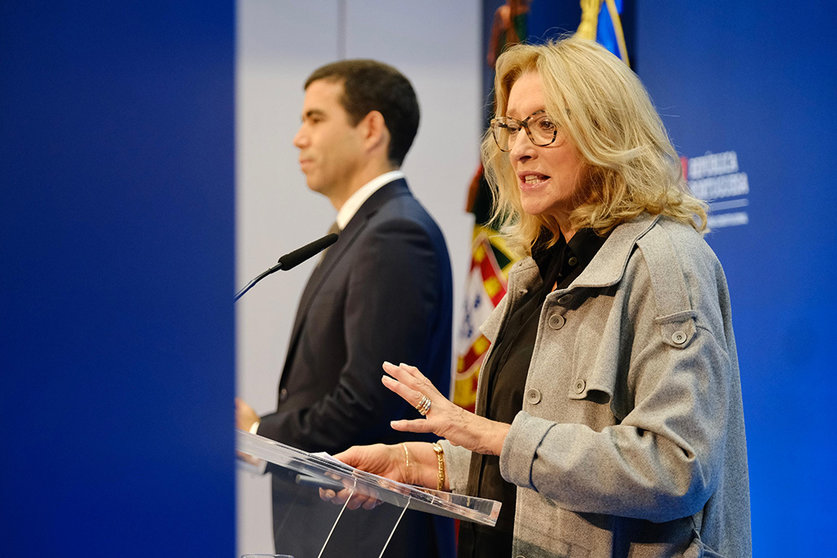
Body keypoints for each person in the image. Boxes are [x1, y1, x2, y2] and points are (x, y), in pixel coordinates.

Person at [328, 37, 752, 558]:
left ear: (605, 132)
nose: (521, 147)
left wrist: (488, 435)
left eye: (545, 125)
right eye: (512, 127)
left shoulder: (666, 260)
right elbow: (528, 464)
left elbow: (674, 465)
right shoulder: (535, 275)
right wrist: (417, 464)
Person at [236, 59, 455, 558]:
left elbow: (367, 403)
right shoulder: (363, 230)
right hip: (336, 528)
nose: (298, 138)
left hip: (370, 533)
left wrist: (257, 432)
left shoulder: (395, 235)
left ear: (371, 129)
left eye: (315, 119)